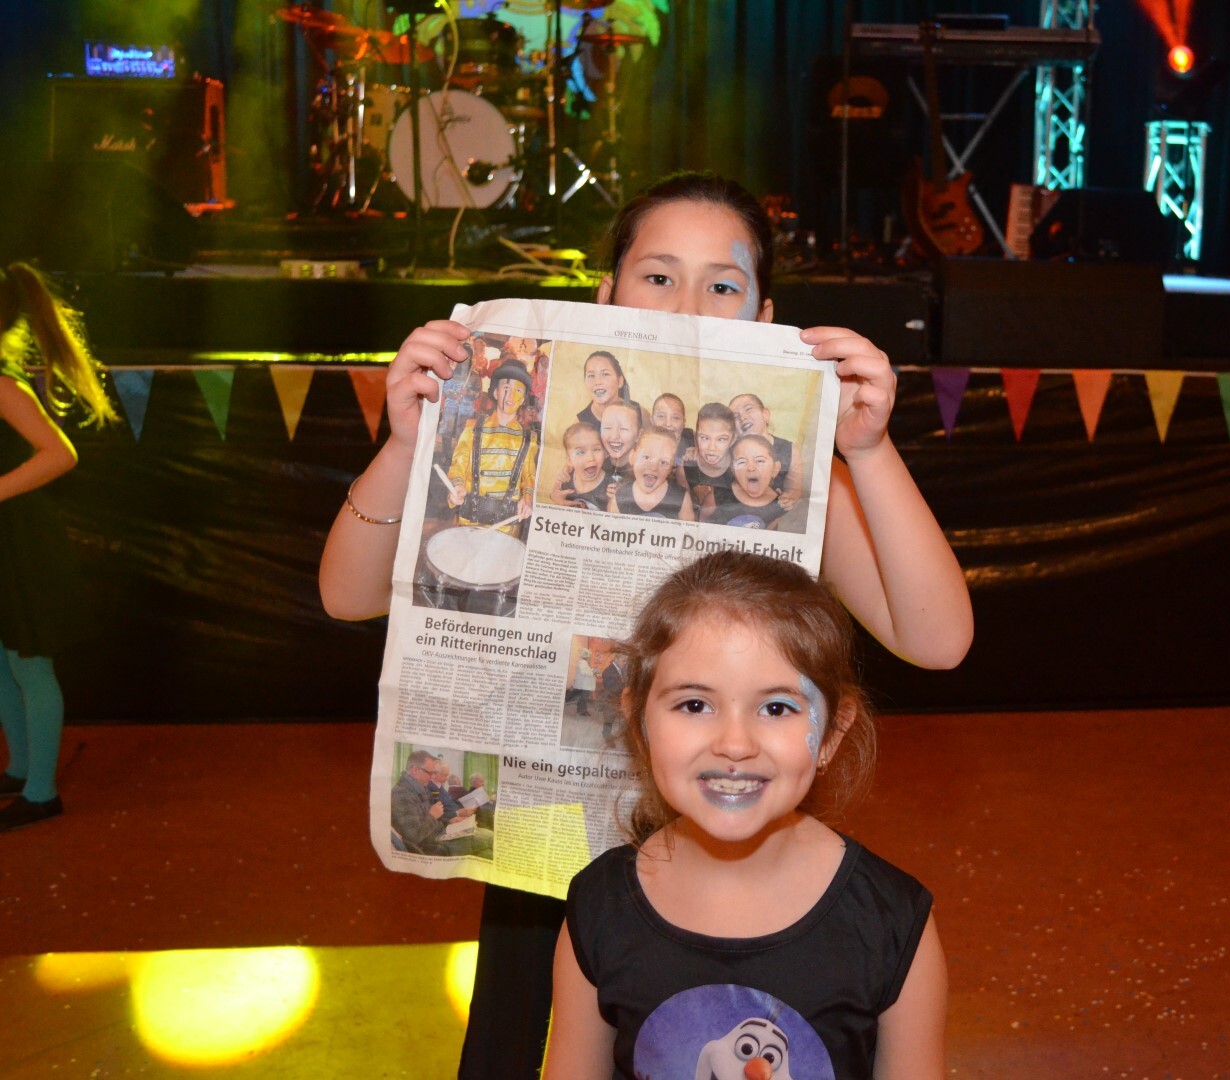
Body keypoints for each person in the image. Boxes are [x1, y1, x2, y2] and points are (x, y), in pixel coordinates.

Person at [318, 171, 972, 1079]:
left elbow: (938, 640)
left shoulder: (779, 475)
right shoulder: (548, 439)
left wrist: (867, 449)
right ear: (607, 296)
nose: (688, 306)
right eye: (659, 276)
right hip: (551, 855)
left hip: (729, 854)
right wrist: (404, 441)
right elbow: (345, 596)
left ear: (764, 316)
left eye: (722, 284)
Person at [544, 551, 946, 1078]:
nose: (735, 744)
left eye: (776, 708)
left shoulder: (891, 923)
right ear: (639, 723)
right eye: (694, 705)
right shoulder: (599, 908)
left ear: (830, 734)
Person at [0, 262, 118, 832]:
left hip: (20, 539)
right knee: (3, 661)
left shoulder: (4, 385)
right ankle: (21, 768)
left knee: (29, 662)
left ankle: (42, 793)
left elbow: (60, 454)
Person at [446, 359, 538, 536]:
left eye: (518, 390)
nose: (511, 396)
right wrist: (456, 487)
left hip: (507, 528)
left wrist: (527, 498)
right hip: (468, 523)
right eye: (506, 388)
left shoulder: (529, 438)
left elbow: (529, 477)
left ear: (523, 399)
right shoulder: (472, 428)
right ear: (496, 392)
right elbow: (458, 466)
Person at [730, 392, 803, 506]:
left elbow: (795, 489)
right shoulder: (729, 451)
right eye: (735, 416)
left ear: (765, 415)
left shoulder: (789, 450)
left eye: (748, 409)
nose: (742, 417)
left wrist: (788, 498)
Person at [606, 427, 694, 520]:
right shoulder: (619, 497)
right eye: (646, 457)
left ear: (670, 468)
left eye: (664, 462)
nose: (653, 468)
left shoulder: (682, 499)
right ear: (632, 457)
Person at [708, 433, 786, 529]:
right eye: (741, 462)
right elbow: (702, 522)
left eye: (760, 461)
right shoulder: (718, 493)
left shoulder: (781, 504)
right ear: (733, 470)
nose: (751, 468)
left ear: (775, 469)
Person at [686, 401, 737, 517]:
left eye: (721, 439)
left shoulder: (738, 469)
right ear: (695, 437)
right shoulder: (686, 465)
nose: (712, 448)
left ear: (732, 440)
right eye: (704, 438)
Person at [548, 422, 612, 510]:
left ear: (605, 453)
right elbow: (555, 494)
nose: (590, 458)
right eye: (580, 452)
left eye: (596, 449)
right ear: (570, 461)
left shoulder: (611, 487)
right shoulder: (566, 478)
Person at [576, 350, 632, 426]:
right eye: (591, 376)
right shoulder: (580, 424)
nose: (598, 382)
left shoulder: (638, 412)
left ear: (620, 381)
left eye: (605, 374)